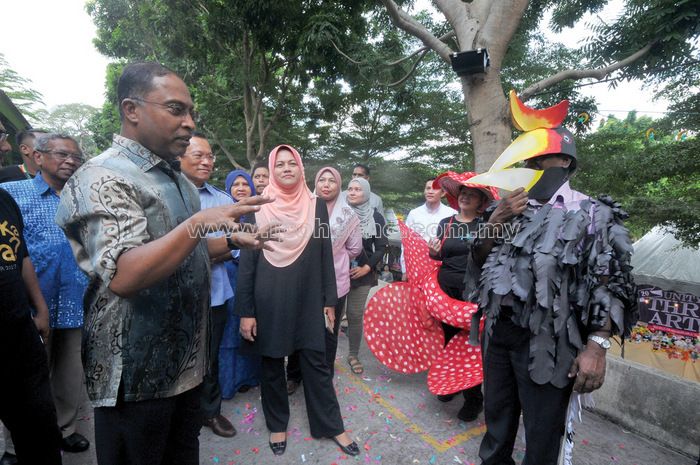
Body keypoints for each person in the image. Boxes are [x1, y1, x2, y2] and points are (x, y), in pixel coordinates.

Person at [56, 62, 278, 465]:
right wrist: (199, 223)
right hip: (136, 377)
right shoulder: (102, 176)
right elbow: (124, 274)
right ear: (131, 109)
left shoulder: (176, 180)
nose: (189, 122)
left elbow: (185, 252)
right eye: (176, 109)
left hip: (185, 368)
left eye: (191, 112)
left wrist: (232, 241)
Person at [466, 92, 637, 465]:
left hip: (550, 341)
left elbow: (608, 285)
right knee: (496, 425)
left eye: (541, 158)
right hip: (500, 333)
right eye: (530, 159)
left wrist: (596, 347)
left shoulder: (592, 213)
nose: (533, 164)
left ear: (566, 161)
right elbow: (479, 261)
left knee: (543, 435)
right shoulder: (507, 207)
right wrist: (495, 222)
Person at [235, 146, 360, 457]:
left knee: (316, 361)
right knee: (272, 362)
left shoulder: (315, 205)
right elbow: (248, 262)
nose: (287, 169)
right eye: (280, 165)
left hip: (308, 296)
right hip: (269, 297)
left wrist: (329, 300)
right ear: (272, 171)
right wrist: (246, 311)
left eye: (292, 163)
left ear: (301, 168)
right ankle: (277, 423)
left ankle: (331, 424)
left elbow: (324, 254)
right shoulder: (257, 206)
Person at [3, 133, 91, 456]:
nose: (70, 161)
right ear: (38, 157)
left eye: (75, 157)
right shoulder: (12, 194)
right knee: (24, 378)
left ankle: (64, 429)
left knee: (70, 372)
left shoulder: (85, 198)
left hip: (76, 300)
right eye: (62, 154)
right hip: (32, 303)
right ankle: (16, 444)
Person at [0, 121, 61, 465]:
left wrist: (40, 308)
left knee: (40, 432)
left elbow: (19, 255)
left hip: (19, 336)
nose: (6, 147)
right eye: (0, 137)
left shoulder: (3, 198)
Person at [177, 132, 237, 438]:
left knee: (209, 357)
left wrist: (199, 251)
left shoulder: (223, 200)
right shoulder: (165, 195)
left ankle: (210, 412)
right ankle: (180, 414)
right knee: (178, 356)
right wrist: (208, 249)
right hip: (176, 296)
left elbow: (234, 247)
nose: (206, 161)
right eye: (198, 155)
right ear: (179, 157)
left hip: (214, 294)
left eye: (210, 156)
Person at [286, 167, 362, 395]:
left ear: (339, 186)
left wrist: (334, 256)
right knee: (298, 327)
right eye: (322, 180)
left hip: (335, 281)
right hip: (302, 280)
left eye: (332, 181)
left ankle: (324, 376)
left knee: (329, 331)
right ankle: (294, 375)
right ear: (315, 184)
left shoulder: (349, 215)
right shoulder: (301, 208)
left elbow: (355, 248)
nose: (326, 185)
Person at [428, 172, 498, 422]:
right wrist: (433, 252)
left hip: (473, 293)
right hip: (445, 292)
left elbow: (490, 258)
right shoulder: (445, 223)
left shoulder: (485, 225)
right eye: (463, 193)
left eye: (472, 194)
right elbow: (439, 256)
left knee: (470, 345)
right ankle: (450, 384)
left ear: (481, 201)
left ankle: (473, 398)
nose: (465, 197)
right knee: (446, 340)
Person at [219, 169, 261, 398]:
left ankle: (248, 377)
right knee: (228, 331)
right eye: (236, 184)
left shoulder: (259, 213)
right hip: (227, 277)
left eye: (245, 184)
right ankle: (228, 382)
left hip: (252, 279)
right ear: (229, 188)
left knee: (249, 326)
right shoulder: (221, 213)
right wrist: (237, 251)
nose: (241, 188)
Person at [345, 177, 388, 375]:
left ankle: (353, 354)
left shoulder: (376, 217)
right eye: (350, 189)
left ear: (367, 193)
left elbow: (380, 248)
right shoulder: (340, 212)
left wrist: (366, 268)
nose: (352, 192)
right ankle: (326, 355)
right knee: (333, 316)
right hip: (338, 272)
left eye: (358, 189)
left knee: (354, 315)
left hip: (362, 273)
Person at [400, 178, 456, 280]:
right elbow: (406, 243)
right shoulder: (414, 213)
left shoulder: (451, 214)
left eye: (435, 189)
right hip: (417, 265)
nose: (430, 191)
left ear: (443, 193)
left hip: (441, 266)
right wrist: (405, 269)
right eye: (428, 188)